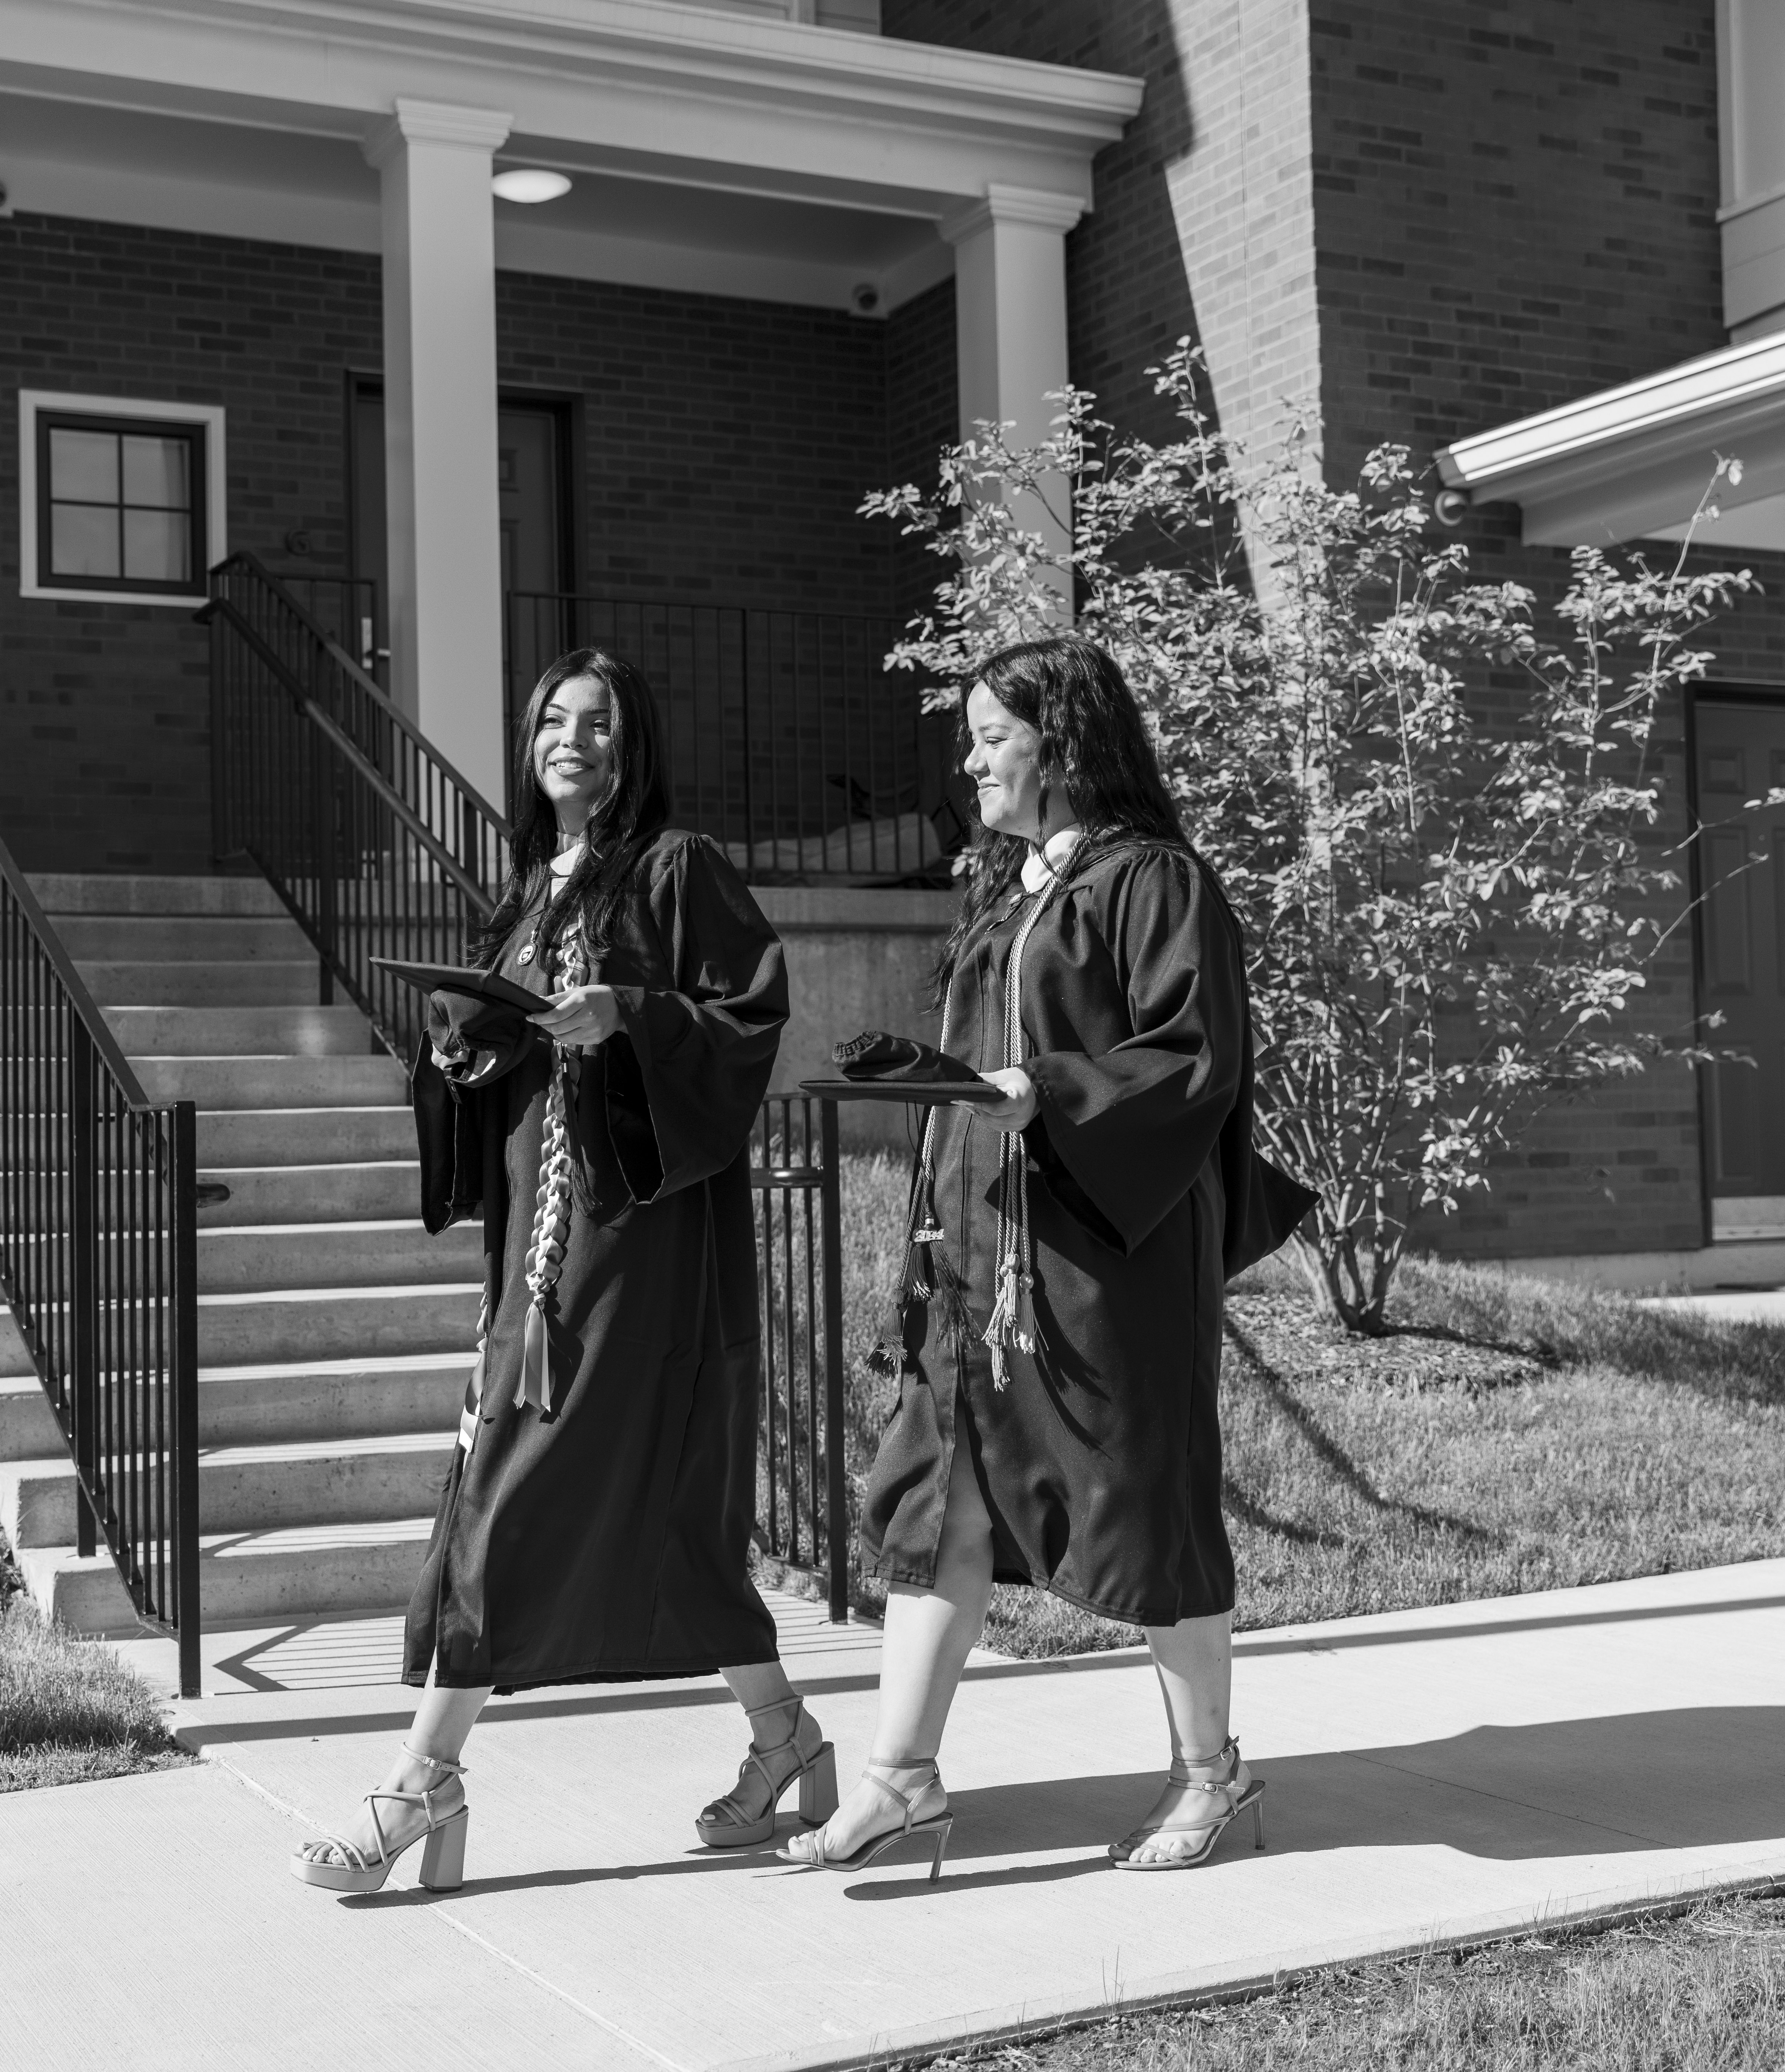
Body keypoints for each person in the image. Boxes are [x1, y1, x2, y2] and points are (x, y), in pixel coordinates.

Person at [291, 647, 823, 1896]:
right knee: (665, 1511)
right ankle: (785, 1737)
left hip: (632, 1242)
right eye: (551, 721)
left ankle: (421, 1779)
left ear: (634, 747)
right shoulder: (532, 891)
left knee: (508, 1493)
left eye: (597, 723)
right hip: (538, 1244)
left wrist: (628, 1013)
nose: (568, 741)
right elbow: (516, 1058)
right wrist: (464, 1051)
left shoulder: (677, 868)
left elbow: (748, 1019)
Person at [787, 633, 1294, 1879]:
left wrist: (1050, 1091)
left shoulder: (1153, 881)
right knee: (942, 1499)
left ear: (1060, 744)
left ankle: (1211, 1777)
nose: (970, 765)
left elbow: (1193, 1059)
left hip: (1102, 1265)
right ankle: (900, 1781)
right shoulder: (1012, 895)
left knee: (1144, 1504)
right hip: (981, 1261)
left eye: (990, 739)